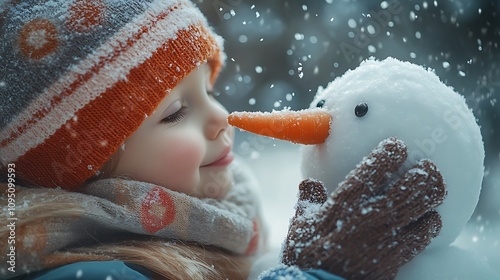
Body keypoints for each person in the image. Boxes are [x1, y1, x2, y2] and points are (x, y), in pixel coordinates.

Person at [0, 0, 445, 279]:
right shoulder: (96, 273)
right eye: (175, 112)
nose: (221, 117)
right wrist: (320, 271)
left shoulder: (206, 228)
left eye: (208, 91)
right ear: (82, 166)